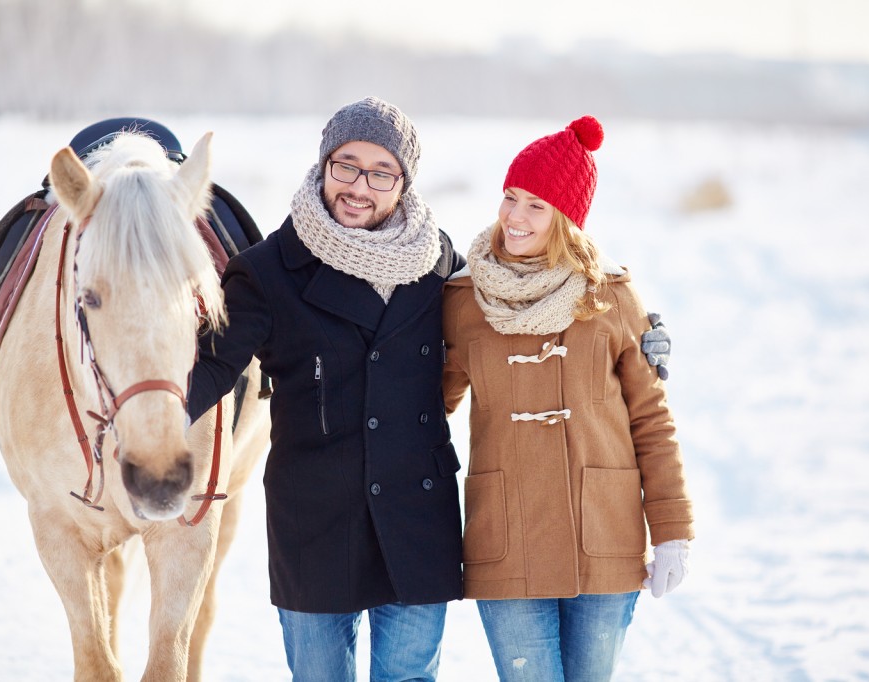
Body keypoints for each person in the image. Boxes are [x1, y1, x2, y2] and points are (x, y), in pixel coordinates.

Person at [188, 99, 672, 681]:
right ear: (322, 167)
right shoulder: (265, 273)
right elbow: (204, 373)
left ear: (403, 182)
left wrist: (638, 329)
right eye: (345, 165)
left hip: (416, 522)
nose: (359, 187)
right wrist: (126, 411)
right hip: (315, 521)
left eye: (380, 172)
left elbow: (526, 307)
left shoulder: (438, 264)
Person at [441, 115, 694, 682]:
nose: (515, 216)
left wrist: (673, 530)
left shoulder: (612, 297)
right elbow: (427, 409)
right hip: (505, 537)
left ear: (567, 216)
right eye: (510, 197)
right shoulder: (462, 299)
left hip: (605, 532)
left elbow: (652, 421)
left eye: (536, 204)